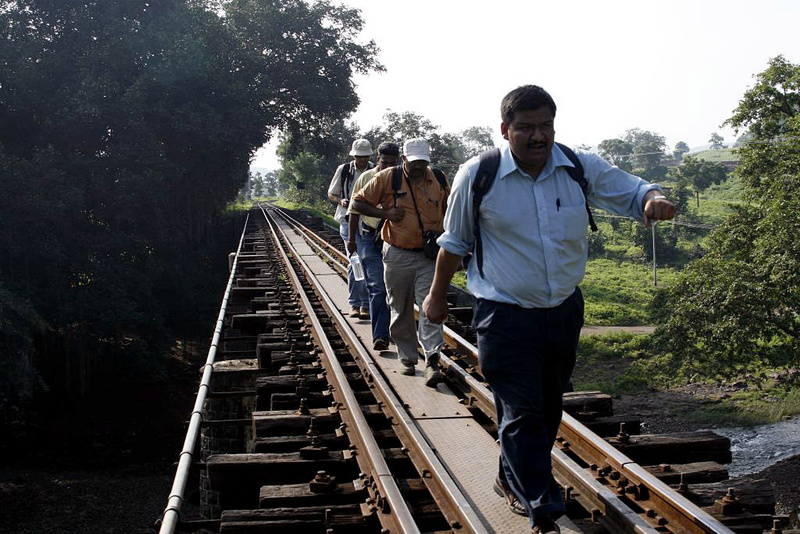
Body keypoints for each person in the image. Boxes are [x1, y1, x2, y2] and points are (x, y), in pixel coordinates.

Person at [422, 85, 676, 534]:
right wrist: (437, 295)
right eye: (526, 128)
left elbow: (631, 189)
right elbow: (455, 242)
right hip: (503, 314)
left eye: (546, 126)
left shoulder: (576, 166)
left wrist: (651, 198)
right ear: (506, 129)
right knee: (521, 411)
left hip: (562, 311)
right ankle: (542, 507)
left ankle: (509, 477)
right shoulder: (477, 175)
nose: (538, 137)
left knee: (548, 406)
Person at [351, 138, 450, 387]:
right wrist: (385, 214)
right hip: (397, 254)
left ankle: (432, 359)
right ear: (404, 159)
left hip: (429, 255)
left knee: (430, 305)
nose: (419, 167)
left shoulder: (437, 178)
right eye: (414, 162)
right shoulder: (388, 178)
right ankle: (407, 357)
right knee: (400, 306)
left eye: (423, 162)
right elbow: (357, 203)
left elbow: (450, 210)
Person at [345, 142, 399, 351]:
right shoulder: (366, 179)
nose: (387, 167)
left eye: (392, 163)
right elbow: (353, 210)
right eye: (384, 162)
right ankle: (380, 336)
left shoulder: (401, 179)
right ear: (378, 159)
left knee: (395, 288)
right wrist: (351, 239)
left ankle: (396, 332)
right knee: (377, 287)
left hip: (395, 239)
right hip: (369, 237)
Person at [328, 138, 373, 318]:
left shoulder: (376, 170)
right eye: (358, 157)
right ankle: (357, 303)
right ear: (354, 156)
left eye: (364, 157)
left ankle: (363, 303)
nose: (361, 160)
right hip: (347, 220)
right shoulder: (344, 170)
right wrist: (341, 201)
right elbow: (332, 193)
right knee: (355, 261)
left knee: (368, 261)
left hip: (369, 222)